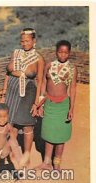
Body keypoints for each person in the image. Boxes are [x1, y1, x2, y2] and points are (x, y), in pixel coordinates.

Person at [0, 28, 45, 167]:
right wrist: (3, 93)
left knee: (27, 125)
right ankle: (13, 154)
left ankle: (27, 155)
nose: (24, 43)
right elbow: (8, 74)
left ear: (34, 41)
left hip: (29, 92)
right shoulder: (16, 53)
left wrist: (37, 103)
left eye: (27, 40)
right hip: (12, 91)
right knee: (11, 123)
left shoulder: (38, 59)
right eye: (22, 41)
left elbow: (40, 81)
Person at [36, 40, 77, 171]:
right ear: (56, 52)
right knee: (49, 133)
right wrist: (41, 103)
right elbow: (43, 84)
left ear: (69, 53)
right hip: (49, 103)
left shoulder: (72, 68)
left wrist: (71, 108)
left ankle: (57, 163)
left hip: (63, 106)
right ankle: (46, 162)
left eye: (66, 52)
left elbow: (73, 89)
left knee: (60, 135)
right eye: (60, 52)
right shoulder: (49, 65)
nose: (63, 55)